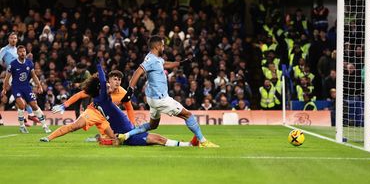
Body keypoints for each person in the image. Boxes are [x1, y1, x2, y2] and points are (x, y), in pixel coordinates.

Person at [43, 64, 190, 147]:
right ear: (109, 81)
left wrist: (132, 125)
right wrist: (64, 105)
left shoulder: (120, 93)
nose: (117, 82)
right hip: (94, 112)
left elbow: (129, 107)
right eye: (114, 79)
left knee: (117, 139)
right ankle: (49, 137)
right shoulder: (103, 94)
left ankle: (103, 139)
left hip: (112, 121)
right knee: (75, 126)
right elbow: (81, 94)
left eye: (119, 79)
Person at [119, 35, 219, 147]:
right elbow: (138, 71)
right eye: (162, 45)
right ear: (157, 46)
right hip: (161, 99)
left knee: (153, 125)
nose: (164, 47)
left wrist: (181, 63)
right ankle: (203, 141)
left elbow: (166, 64)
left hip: (152, 99)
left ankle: (126, 135)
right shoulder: (150, 59)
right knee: (188, 115)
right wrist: (130, 90)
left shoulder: (156, 59)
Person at [2, 45, 51, 133]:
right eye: (20, 51)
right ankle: (22, 126)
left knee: (34, 105)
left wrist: (39, 85)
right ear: (17, 53)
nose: (22, 53)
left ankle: (45, 126)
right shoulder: (12, 64)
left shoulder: (29, 63)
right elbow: (7, 77)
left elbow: (34, 75)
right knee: (22, 105)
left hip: (27, 87)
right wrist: (4, 88)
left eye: (24, 51)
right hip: (16, 87)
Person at [0, 32, 39, 127]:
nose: (13, 40)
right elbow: (1, 62)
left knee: (21, 98)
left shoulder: (19, 50)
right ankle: (30, 115)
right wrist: (6, 69)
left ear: (17, 40)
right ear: (8, 39)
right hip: (12, 75)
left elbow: (22, 62)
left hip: (21, 75)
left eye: (15, 38)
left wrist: (28, 58)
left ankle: (26, 117)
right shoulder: (4, 50)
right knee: (22, 96)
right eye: (11, 38)